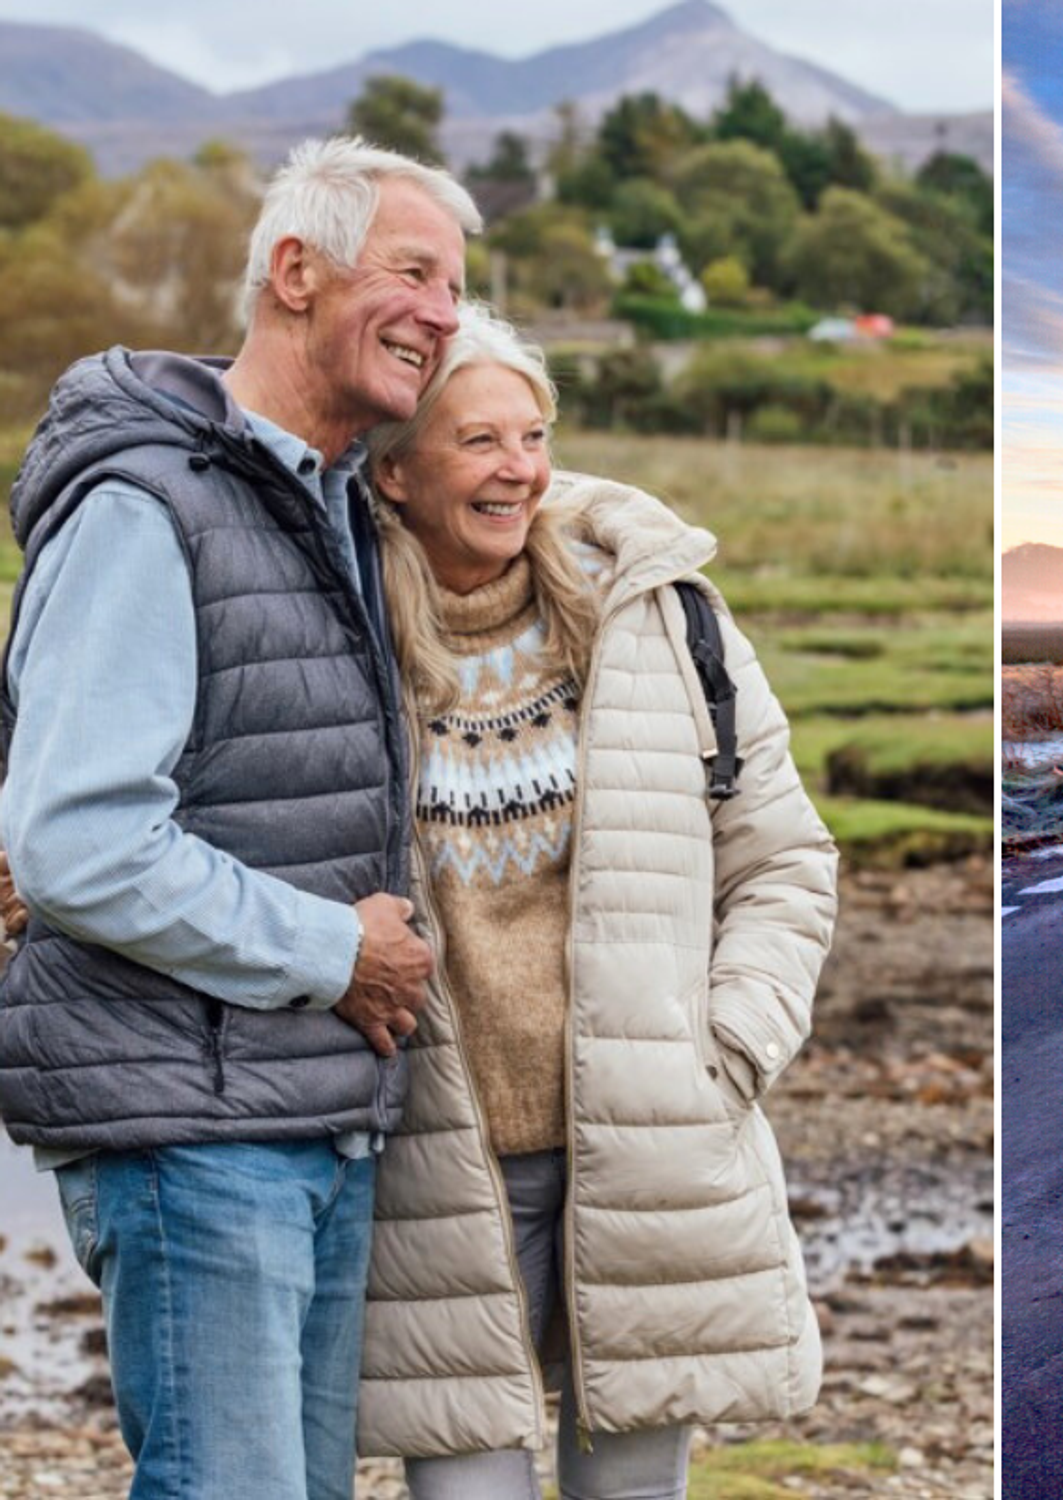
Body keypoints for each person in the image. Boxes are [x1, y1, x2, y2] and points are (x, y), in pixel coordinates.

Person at [0, 137, 479, 1500]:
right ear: (293, 272)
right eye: (413, 272)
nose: (444, 314)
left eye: (456, 288)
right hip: (190, 1131)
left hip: (293, 1118)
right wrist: (342, 954)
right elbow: (81, 843)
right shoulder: (153, 505)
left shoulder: (318, 502)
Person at [352, 303, 837, 1498]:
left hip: (645, 1139)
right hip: (430, 1162)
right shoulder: (336, 634)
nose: (517, 468)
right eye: (477, 442)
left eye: (533, 434)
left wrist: (727, 1047)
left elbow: (782, 859)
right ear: (394, 470)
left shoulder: (659, 618)